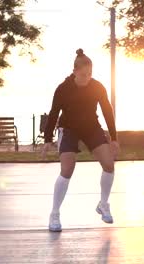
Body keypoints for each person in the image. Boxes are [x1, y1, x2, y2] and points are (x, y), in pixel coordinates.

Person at [41, 49, 120, 232]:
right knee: (67, 170)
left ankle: (103, 204)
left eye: (90, 74)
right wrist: (47, 139)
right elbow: (53, 114)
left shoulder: (97, 86)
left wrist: (114, 138)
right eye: (84, 74)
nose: (87, 78)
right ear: (75, 71)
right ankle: (54, 213)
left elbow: (107, 111)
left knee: (109, 164)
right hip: (68, 129)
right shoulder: (63, 89)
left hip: (91, 127)